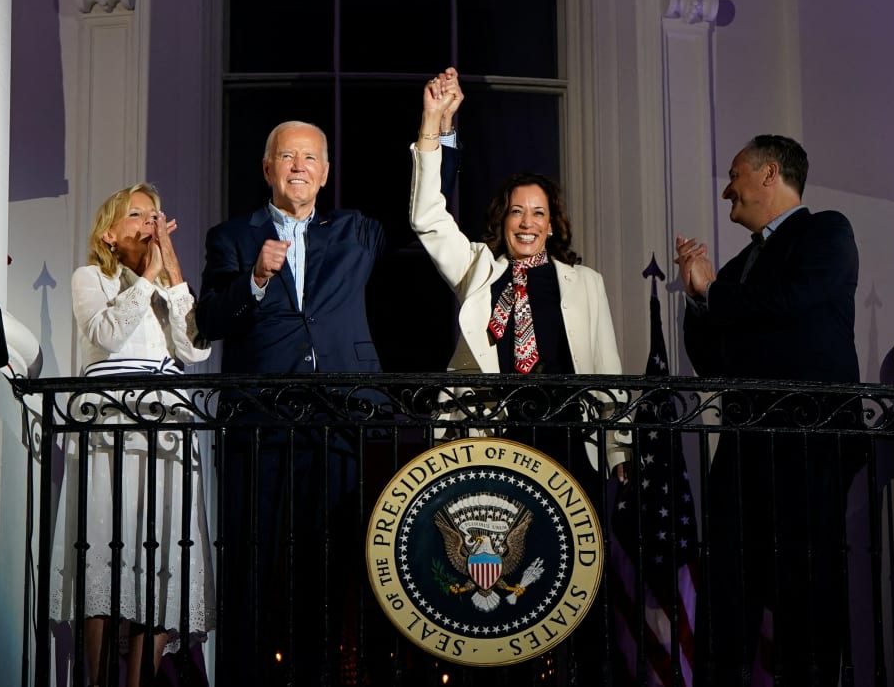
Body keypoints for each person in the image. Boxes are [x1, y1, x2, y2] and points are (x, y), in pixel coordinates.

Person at [195, 69, 463, 685]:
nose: (298, 166)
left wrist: (435, 130)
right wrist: (255, 280)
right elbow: (209, 319)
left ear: (326, 171)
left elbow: (429, 210)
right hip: (261, 424)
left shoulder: (356, 231)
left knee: (334, 566)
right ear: (267, 169)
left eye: (310, 158)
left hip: (343, 419)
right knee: (255, 566)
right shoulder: (233, 237)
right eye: (286, 156)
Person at [674, 134, 860, 686]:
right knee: (728, 587)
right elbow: (712, 361)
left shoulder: (826, 231)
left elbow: (789, 303)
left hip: (808, 439)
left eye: (735, 174)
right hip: (745, 443)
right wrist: (695, 295)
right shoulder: (735, 268)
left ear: (769, 173)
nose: (728, 188)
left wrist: (714, 294)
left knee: (807, 586)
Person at [409, 77, 629, 476]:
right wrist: (431, 123)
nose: (527, 222)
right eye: (517, 211)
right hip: (494, 437)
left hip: (569, 437)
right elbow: (427, 217)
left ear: (551, 225)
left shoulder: (585, 282)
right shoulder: (478, 269)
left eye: (538, 213)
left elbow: (607, 368)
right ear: (503, 219)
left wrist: (617, 450)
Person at [50, 183, 215, 687]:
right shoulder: (91, 278)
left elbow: (195, 350)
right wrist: (146, 278)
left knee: (162, 552)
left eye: (155, 215)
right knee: (108, 544)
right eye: (137, 215)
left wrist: (174, 273)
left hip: (166, 430)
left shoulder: (164, 287)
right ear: (108, 233)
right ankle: (97, 679)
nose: (150, 222)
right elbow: (105, 334)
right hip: (112, 431)